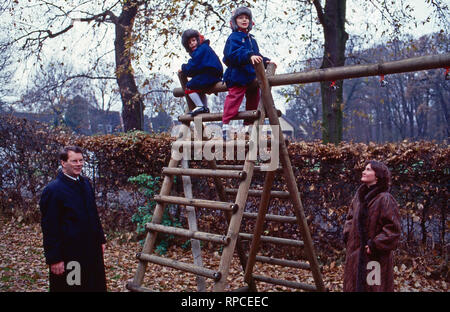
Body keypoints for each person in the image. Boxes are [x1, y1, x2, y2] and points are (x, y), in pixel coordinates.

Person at [39, 146, 107, 292]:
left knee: (93, 286)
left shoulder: (85, 184)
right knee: (73, 287)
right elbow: (50, 227)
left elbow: (93, 214)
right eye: (74, 161)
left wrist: (100, 239)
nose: (79, 164)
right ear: (63, 163)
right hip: (71, 256)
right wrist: (54, 258)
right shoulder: (53, 190)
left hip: (91, 251)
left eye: (81, 160)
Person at [343, 160, 401, 292]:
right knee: (353, 286)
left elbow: (393, 229)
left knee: (373, 287)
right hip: (355, 255)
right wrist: (348, 236)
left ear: (378, 176)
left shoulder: (385, 199)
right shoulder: (359, 197)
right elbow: (350, 218)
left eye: (369, 169)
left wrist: (375, 245)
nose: (364, 171)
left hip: (374, 259)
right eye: (365, 168)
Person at [221, 6, 275, 140]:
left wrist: (265, 61)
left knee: (254, 97)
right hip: (238, 74)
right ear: (235, 21)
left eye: (247, 18)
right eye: (240, 18)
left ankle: (249, 125)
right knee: (234, 97)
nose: (244, 20)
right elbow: (233, 53)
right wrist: (248, 56)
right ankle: (226, 124)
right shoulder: (234, 37)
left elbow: (256, 55)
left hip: (250, 75)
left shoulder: (251, 39)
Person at [180, 29, 223, 117]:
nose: (192, 43)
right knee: (198, 89)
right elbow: (197, 67)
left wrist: (183, 68)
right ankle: (203, 108)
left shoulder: (201, 49)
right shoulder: (204, 48)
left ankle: (200, 106)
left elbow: (192, 67)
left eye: (194, 40)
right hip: (212, 73)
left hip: (210, 74)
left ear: (198, 40)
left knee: (189, 87)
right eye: (189, 42)